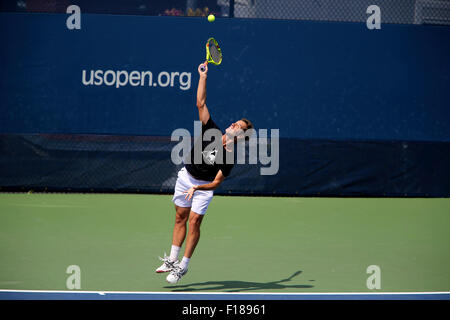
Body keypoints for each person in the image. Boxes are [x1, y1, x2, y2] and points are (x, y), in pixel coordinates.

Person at [156, 62, 254, 284]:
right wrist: (203, 76)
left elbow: (217, 183)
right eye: (235, 122)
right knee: (179, 217)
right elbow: (200, 103)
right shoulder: (212, 130)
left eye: (238, 126)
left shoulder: (229, 157)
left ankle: (183, 266)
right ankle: (172, 259)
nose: (233, 124)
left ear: (241, 136)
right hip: (186, 177)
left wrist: (198, 188)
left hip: (202, 187)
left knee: (194, 222)